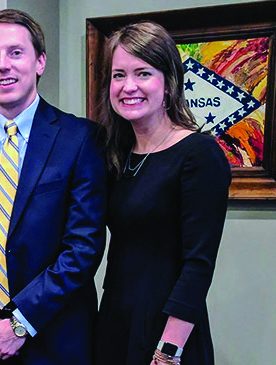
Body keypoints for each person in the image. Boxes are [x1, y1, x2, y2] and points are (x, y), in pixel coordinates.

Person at [0, 9, 107, 365]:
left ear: (39, 61)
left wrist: (19, 323)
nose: (3, 65)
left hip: (56, 337)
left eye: (16, 52)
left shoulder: (80, 140)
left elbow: (83, 245)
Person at [93, 21, 231, 365]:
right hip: (114, 318)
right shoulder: (115, 154)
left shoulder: (199, 153)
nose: (129, 87)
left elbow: (198, 265)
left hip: (167, 331)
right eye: (118, 75)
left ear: (168, 82)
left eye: (143, 73)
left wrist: (167, 352)